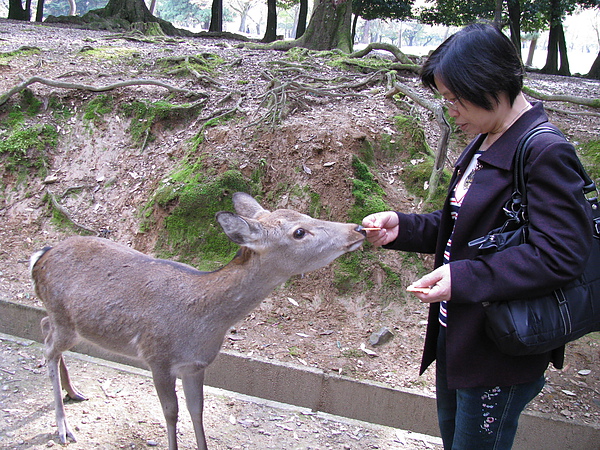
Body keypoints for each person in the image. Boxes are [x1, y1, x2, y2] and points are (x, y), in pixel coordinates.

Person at [362, 22, 592, 449]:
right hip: (461, 332)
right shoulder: (488, 136)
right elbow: (466, 228)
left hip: (500, 350)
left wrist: (464, 278)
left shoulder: (544, 150)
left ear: (490, 84)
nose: (450, 110)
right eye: (445, 99)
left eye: (455, 99)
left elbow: (560, 254)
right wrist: (403, 226)